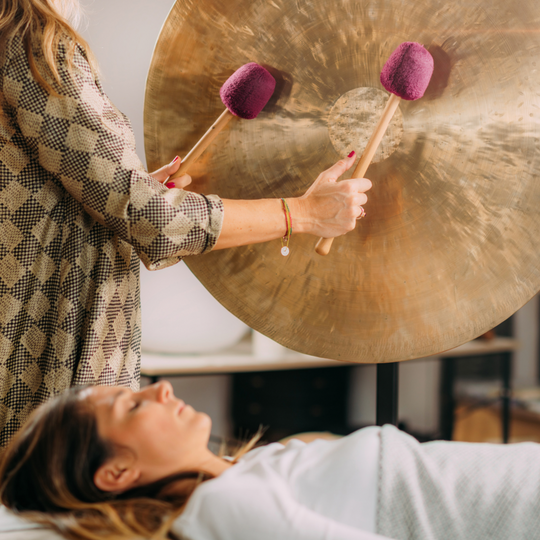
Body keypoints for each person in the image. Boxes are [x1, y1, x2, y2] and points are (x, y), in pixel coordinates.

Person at [0, 0, 372, 448]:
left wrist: (135, 192)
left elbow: (34, 194)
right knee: (50, 499)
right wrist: (305, 213)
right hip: (39, 349)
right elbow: (149, 219)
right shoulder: (30, 41)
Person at [1, 381, 540, 540]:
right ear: (116, 473)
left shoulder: (242, 476)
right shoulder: (221, 504)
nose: (161, 388)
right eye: (134, 404)